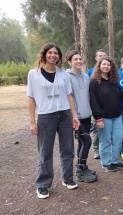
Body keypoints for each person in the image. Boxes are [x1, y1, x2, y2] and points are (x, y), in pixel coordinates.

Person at [27, 43, 80, 199]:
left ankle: (68, 178)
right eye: (50, 53)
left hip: (64, 114)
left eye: (56, 53)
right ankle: (43, 185)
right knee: (45, 152)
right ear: (44, 54)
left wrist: (74, 115)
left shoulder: (63, 74)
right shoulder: (33, 74)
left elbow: (69, 95)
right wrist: (32, 122)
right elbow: (31, 99)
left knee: (68, 149)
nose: (53, 55)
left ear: (59, 57)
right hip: (46, 116)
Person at [89, 56, 123, 172]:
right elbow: (93, 101)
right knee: (105, 140)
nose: (106, 66)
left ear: (111, 67)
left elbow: (117, 97)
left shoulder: (114, 81)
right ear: (99, 66)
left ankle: (115, 160)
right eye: (104, 64)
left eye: (108, 65)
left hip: (117, 116)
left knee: (118, 138)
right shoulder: (94, 83)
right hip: (104, 117)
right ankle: (106, 163)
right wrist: (98, 118)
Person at [66, 50, 97, 183]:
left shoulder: (85, 77)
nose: (78, 61)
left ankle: (83, 166)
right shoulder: (66, 77)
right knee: (87, 141)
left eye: (80, 59)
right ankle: (79, 171)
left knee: (81, 142)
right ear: (69, 62)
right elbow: (67, 97)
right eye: (75, 59)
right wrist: (73, 116)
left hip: (86, 116)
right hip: (75, 117)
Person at [87, 49, 107, 159]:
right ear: (96, 58)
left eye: (104, 56)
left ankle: (105, 149)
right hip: (95, 107)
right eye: (100, 56)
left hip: (107, 107)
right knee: (95, 130)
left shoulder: (109, 72)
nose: (102, 58)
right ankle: (96, 150)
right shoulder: (90, 72)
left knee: (106, 129)